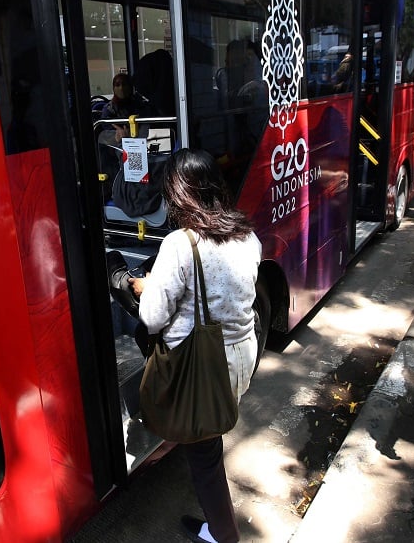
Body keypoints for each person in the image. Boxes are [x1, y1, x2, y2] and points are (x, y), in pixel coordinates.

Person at [129, 149, 261, 543]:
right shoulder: (247, 235)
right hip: (242, 354)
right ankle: (177, 438)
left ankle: (224, 535)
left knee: (205, 459)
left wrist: (145, 287)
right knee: (209, 429)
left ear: (179, 193)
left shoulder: (180, 244)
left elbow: (152, 318)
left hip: (201, 367)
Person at [98, 72, 157, 145]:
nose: (121, 88)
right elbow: (105, 126)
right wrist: (118, 131)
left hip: (141, 141)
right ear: (113, 88)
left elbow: (147, 121)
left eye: (124, 84)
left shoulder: (140, 104)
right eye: (117, 85)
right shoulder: (110, 108)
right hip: (120, 143)